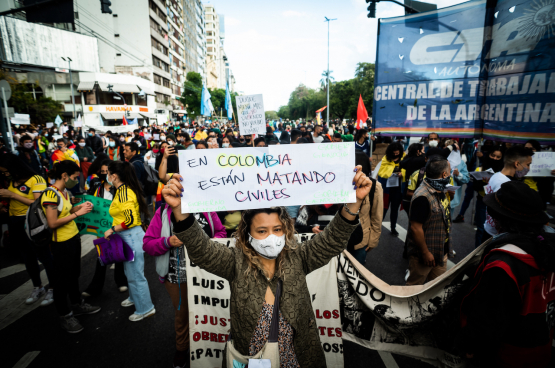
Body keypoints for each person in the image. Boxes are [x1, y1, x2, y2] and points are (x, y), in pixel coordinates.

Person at [160, 164, 371, 367]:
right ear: (247, 235)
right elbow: (201, 248)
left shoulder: (299, 257)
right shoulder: (234, 262)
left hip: (298, 356)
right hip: (252, 357)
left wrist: (354, 203)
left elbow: (332, 240)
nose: (271, 237)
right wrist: (179, 209)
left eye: (277, 229)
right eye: (262, 231)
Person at [459, 181, 555, 367]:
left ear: (500, 219)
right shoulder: (545, 249)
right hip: (541, 349)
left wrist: (470, 346)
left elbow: (488, 320)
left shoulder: (503, 264)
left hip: (506, 354)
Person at [143, 173, 226, 368]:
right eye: (178, 186)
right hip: (177, 277)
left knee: (212, 312)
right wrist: (168, 241)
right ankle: (182, 349)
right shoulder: (163, 212)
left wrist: (209, 243)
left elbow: (221, 232)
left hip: (209, 274)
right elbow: (147, 244)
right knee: (183, 316)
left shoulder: (206, 209)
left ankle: (211, 348)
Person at [43, 161, 100, 333]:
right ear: (64, 176)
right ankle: (65, 315)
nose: (76, 181)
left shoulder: (64, 192)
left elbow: (66, 212)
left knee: (74, 274)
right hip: (60, 243)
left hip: (73, 237)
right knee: (62, 281)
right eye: (75, 177)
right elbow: (52, 223)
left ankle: (76, 304)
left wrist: (80, 207)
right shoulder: (50, 194)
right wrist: (78, 213)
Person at [0, 154, 54, 306]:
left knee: (44, 256)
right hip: (14, 221)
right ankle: (37, 287)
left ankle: (53, 287)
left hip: (31, 222)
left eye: (6, 171)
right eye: (3, 173)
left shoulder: (36, 179)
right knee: (27, 257)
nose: (5, 174)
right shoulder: (12, 181)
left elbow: (38, 202)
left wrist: (12, 195)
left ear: (15, 168)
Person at [104, 161, 155, 321]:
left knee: (135, 274)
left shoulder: (124, 192)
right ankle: (135, 298)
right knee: (130, 272)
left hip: (131, 236)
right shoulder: (122, 190)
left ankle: (145, 308)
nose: (106, 175)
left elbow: (131, 219)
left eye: (108, 172)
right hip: (128, 238)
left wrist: (112, 229)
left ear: (114, 176)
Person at [82, 160, 128, 298]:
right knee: (102, 257)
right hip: (101, 229)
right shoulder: (96, 187)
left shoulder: (121, 188)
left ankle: (121, 281)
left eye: (108, 172)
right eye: (103, 172)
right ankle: (95, 287)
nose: (105, 175)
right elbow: (90, 203)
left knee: (119, 253)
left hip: (118, 227)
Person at [406, 157, 452, 285]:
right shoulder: (422, 196)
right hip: (425, 254)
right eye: (449, 171)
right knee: (413, 291)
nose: (450, 174)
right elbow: (415, 228)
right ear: (444, 174)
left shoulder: (439, 188)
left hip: (440, 251)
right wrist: (425, 252)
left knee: (436, 288)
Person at [482, 146, 534, 245]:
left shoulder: (496, 176)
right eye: (528, 164)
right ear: (517, 164)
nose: (528, 168)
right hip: (498, 237)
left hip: (489, 231)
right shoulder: (506, 185)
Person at [346, 151, 383, 265]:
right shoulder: (340, 184)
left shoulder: (374, 186)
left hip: (361, 241)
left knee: (357, 274)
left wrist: (373, 241)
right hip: (338, 240)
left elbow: (377, 216)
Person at [472, 147, 505, 246]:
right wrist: (485, 183)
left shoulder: (503, 173)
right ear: (488, 155)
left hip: (498, 205)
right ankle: (478, 252)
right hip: (482, 202)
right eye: (493, 155)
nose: (495, 158)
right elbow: (475, 187)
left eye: (498, 157)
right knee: (481, 228)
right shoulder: (480, 169)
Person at [378, 142, 406, 236]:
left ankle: (393, 228)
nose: (395, 154)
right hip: (387, 189)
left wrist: (402, 173)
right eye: (394, 153)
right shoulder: (385, 159)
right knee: (383, 209)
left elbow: (407, 170)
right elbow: (381, 172)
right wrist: (390, 173)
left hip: (397, 190)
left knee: (394, 210)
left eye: (397, 153)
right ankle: (376, 229)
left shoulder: (404, 158)